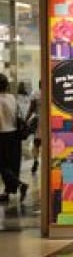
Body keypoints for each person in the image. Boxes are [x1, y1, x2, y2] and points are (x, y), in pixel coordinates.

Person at [0, 74, 28, 203]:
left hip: (3, 134)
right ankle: (7, 192)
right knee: (12, 165)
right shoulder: (12, 97)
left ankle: (20, 185)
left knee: (3, 165)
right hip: (14, 135)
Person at [26, 81, 41, 174]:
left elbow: (31, 109)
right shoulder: (51, 93)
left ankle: (35, 160)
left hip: (39, 120)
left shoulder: (36, 94)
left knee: (36, 143)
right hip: (50, 121)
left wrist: (25, 120)